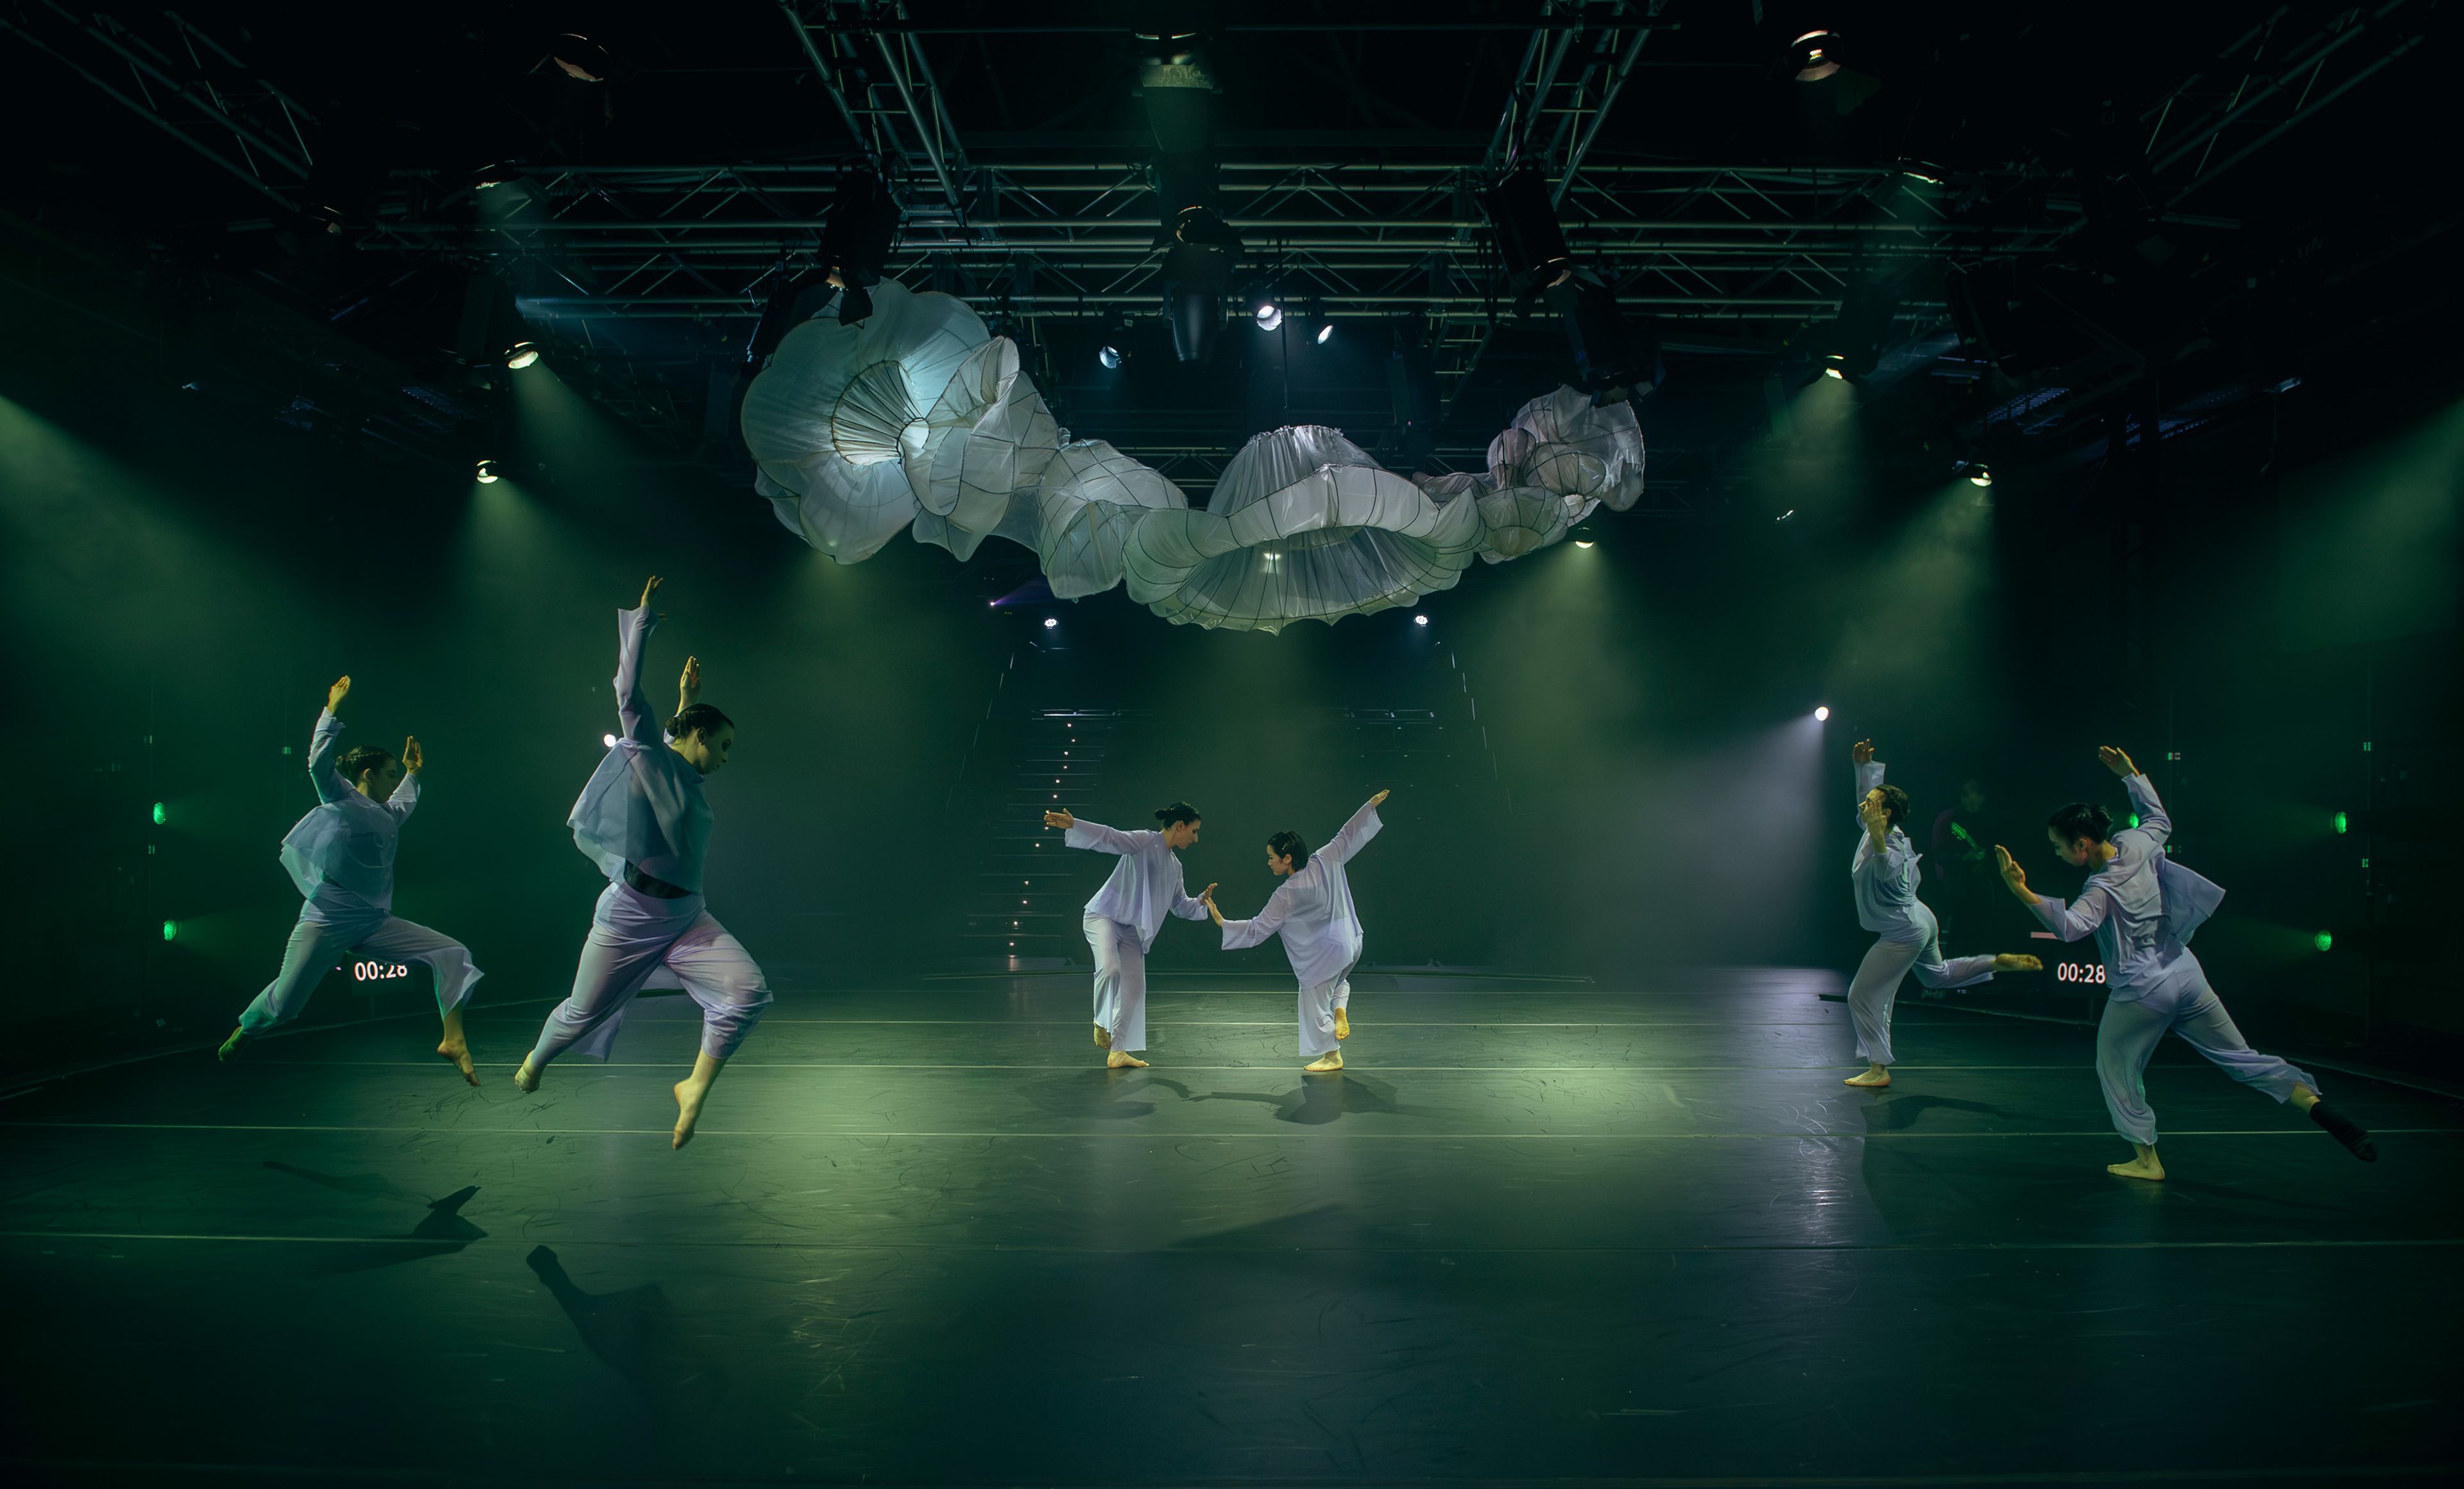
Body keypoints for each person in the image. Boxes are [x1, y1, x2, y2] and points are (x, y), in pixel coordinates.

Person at [1996, 745, 2377, 1180]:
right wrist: (2131, 773)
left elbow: (2069, 926)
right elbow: (2159, 819)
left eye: (2059, 846)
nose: (2057, 853)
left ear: (2082, 844)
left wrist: (2020, 890)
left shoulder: (2100, 888)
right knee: (2241, 1057)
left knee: (2115, 1066)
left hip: (2142, 992)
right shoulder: (2134, 841)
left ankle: (2146, 1159)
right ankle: (2314, 1104)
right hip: (2185, 972)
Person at [513, 576, 772, 1149]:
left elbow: (676, 752)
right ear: (700, 736)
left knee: (747, 992)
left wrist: (685, 700)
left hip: (688, 919)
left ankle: (694, 1088)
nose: (727, 759)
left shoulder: (679, 768)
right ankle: (536, 1058)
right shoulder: (653, 760)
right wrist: (643, 621)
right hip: (631, 915)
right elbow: (630, 697)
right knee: (581, 1012)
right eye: (723, 745)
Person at [219, 675, 484, 1082]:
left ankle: (453, 1039)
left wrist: (413, 773)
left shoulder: (387, 813)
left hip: (375, 921)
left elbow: (403, 804)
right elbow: (317, 763)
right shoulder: (341, 798)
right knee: (287, 1005)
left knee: (452, 953)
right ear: (367, 773)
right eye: (390, 773)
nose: (395, 781)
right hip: (328, 916)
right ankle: (247, 1030)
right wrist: (332, 710)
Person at [1843, 740, 2043, 1089]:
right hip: (1921, 918)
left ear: (1884, 815)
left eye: (1872, 805)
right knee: (1936, 977)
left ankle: (1879, 1068)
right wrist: (1863, 767)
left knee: (1862, 995)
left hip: (1903, 931)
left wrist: (1876, 835)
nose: (1865, 806)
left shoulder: (1889, 844)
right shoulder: (1890, 830)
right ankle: (1993, 962)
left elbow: (1887, 869)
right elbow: (1872, 810)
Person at [1206, 791, 1389, 1072]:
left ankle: (1332, 1056)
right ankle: (1340, 1009)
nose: (1268, 862)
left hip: (1326, 955)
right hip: (1352, 942)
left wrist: (1222, 922)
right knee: (1338, 983)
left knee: (1312, 999)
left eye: (1271, 858)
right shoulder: (1325, 859)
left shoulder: (1285, 894)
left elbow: (1258, 928)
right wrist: (1370, 806)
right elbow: (1347, 835)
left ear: (1287, 859)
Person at [1045, 801, 1214, 1069]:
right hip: (1105, 917)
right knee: (1111, 970)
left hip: (1133, 931)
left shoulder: (1175, 866)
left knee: (1134, 989)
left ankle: (1117, 1052)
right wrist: (1075, 824)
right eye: (1194, 831)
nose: (1196, 838)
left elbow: (1180, 905)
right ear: (1180, 826)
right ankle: (1101, 1023)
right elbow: (1112, 837)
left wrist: (1201, 902)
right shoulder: (1146, 841)